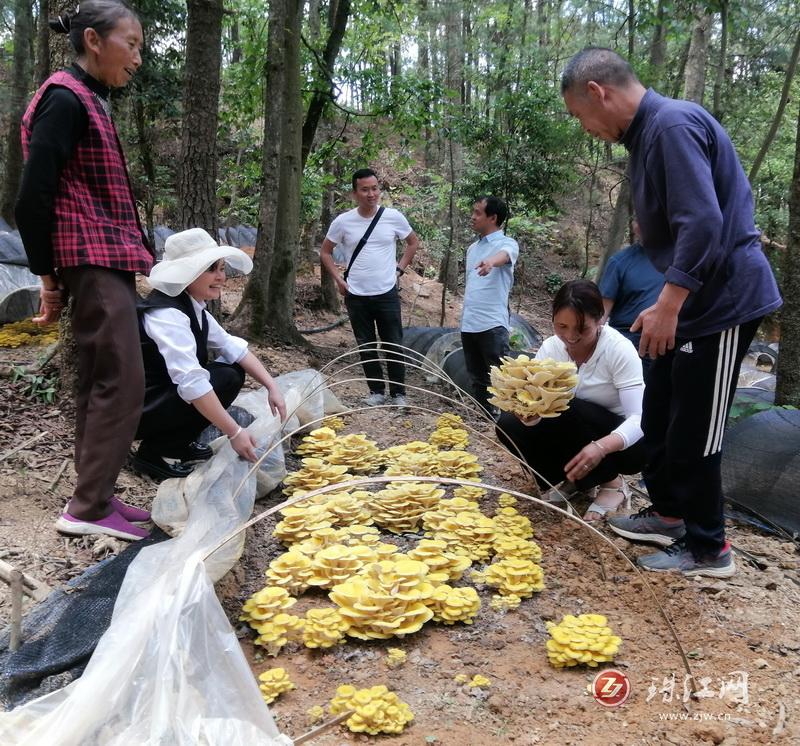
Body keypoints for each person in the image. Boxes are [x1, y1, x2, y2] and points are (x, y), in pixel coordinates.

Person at [561, 48, 782, 577]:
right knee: (658, 404)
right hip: (689, 302)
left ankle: (710, 548)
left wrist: (669, 302)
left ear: (598, 92)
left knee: (696, 427)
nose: (586, 128)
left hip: (722, 302)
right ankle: (668, 513)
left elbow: (704, 223)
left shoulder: (671, 126)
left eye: (579, 116)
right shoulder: (646, 139)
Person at [15, 1, 155, 542]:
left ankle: (96, 494)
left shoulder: (88, 98)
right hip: (88, 256)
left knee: (102, 377)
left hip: (104, 256)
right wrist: (45, 274)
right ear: (94, 40)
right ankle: (88, 507)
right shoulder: (64, 98)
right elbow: (34, 195)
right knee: (124, 377)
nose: (138, 58)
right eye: (133, 44)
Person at [132, 228, 287, 480]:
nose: (221, 277)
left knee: (231, 371)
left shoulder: (193, 308)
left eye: (222, 269)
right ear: (187, 274)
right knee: (222, 379)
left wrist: (272, 386)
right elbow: (191, 381)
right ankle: (156, 453)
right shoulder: (166, 314)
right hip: (139, 409)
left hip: (161, 399)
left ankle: (179, 442)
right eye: (211, 269)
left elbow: (232, 347)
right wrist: (235, 433)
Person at [496, 280, 647, 522]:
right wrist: (530, 415)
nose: (570, 336)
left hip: (623, 445)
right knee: (508, 424)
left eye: (582, 328)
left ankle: (613, 484)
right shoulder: (551, 348)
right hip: (575, 433)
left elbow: (640, 420)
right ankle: (575, 480)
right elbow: (538, 404)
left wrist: (601, 447)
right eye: (561, 326)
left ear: (600, 319)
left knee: (566, 406)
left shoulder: (619, 349)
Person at [320, 168, 420, 407]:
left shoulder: (393, 217)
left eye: (375, 188)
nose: (371, 194)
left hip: (386, 291)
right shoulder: (343, 222)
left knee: (393, 343)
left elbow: (413, 242)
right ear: (355, 193)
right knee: (365, 344)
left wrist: (399, 270)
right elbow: (325, 251)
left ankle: (398, 394)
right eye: (365, 189)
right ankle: (376, 391)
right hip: (356, 293)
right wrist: (338, 279)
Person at [460, 196, 519, 414]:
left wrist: (491, 262)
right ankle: (484, 419)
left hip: (492, 323)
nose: (472, 217)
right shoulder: (472, 249)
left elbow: (505, 256)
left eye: (477, 213)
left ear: (493, 218)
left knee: (499, 376)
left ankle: (506, 420)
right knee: (477, 377)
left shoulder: (507, 244)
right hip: (470, 322)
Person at [598, 219, 663, 374]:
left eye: (645, 217)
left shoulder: (678, 261)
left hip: (667, 344)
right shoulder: (620, 262)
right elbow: (600, 314)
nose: (638, 224)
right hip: (628, 343)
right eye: (636, 218)